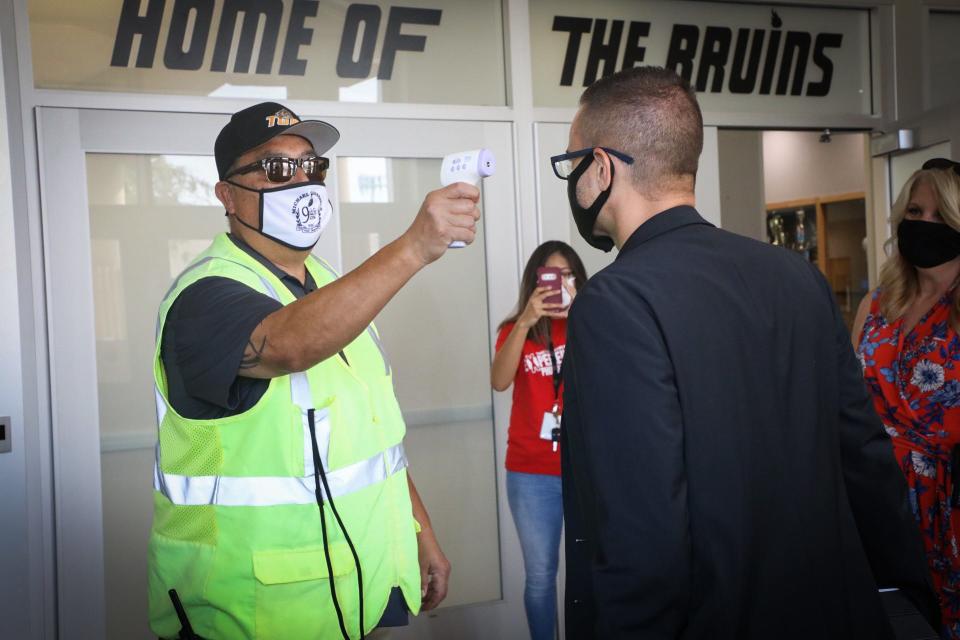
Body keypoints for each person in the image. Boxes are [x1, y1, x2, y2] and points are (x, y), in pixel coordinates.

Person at [553, 66, 940, 638]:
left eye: (572, 163)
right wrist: (908, 600)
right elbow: (864, 457)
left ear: (603, 167)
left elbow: (642, 532)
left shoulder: (615, 302)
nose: (573, 179)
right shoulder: (795, 276)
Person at [147, 102, 470, 639]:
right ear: (227, 195)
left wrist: (420, 529)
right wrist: (413, 247)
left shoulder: (327, 282)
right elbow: (286, 345)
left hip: (357, 591)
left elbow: (370, 435)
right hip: (252, 613)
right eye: (277, 167)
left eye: (312, 166)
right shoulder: (205, 294)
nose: (303, 181)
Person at [853, 158, 960, 639]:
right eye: (915, 211)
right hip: (876, 499)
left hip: (948, 503)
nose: (923, 225)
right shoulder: (877, 304)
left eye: (941, 217)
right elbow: (849, 403)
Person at [490, 240, 587, 640]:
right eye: (552, 276)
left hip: (584, 469)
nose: (560, 283)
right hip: (531, 473)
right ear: (535, 283)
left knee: (589, 572)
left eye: (568, 276)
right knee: (541, 576)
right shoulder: (517, 330)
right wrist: (527, 321)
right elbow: (499, 381)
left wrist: (586, 312)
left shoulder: (591, 323)